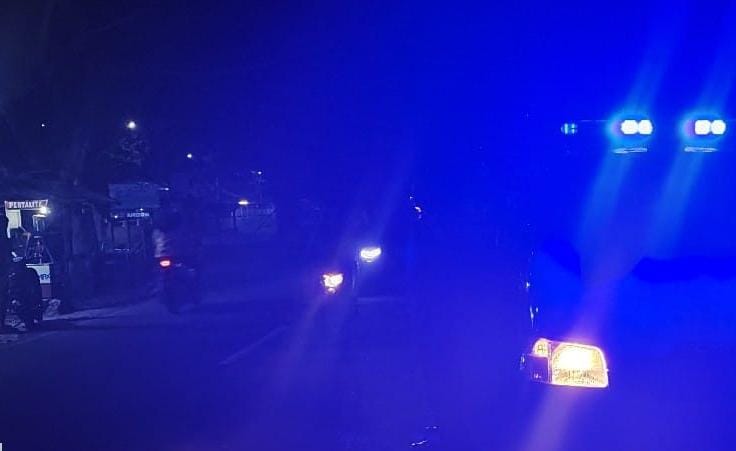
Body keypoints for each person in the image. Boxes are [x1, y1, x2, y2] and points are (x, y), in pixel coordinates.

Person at [0, 216, 13, 330]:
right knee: (2, 296)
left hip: (3, 271)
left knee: (3, 296)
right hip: (3, 272)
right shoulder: (4, 240)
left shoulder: (4, 239)